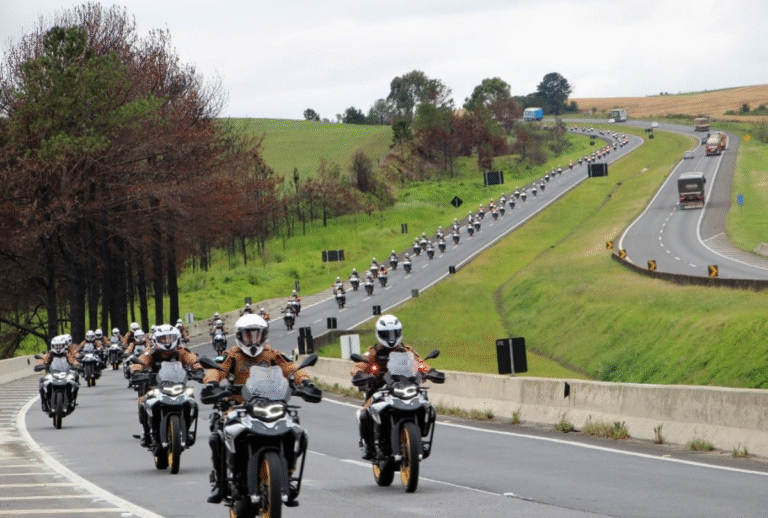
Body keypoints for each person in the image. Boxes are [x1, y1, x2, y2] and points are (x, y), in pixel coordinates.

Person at [201, 313, 317, 504]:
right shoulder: (232, 355)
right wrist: (211, 383)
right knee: (218, 436)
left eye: (257, 335)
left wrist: (305, 381)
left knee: (294, 429)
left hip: (272, 405)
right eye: (248, 335)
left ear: (263, 335)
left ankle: (286, 475)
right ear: (240, 336)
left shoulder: (272, 354)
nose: (253, 339)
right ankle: (221, 484)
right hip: (238, 407)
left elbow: (291, 368)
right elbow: (216, 369)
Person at [350, 314, 443, 459]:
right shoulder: (373, 351)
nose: (391, 337)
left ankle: (418, 436)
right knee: (364, 414)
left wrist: (431, 372)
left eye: (394, 333)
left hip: (406, 386)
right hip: (381, 390)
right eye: (387, 334)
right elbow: (360, 365)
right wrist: (359, 374)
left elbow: (419, 363)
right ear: (379, 334)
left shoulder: (406, 350)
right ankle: (368, 446)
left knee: (427, 406)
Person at [129, 324, 203, 447]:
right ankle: (147, 434)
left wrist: (198, 370)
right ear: (157, 340)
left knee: (192, 402)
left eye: (170, 338)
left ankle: (187, 429)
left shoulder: (181, 351)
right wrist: (137, 372)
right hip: (156, 387)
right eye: (164, 339)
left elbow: (193, 359)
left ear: (176, 338)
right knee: (143, 402)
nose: (167, 341)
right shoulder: (151, 353)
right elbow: (141, 361)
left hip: (179, 387)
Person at [37, 335, 80, 412]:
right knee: (42, 382)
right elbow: (44, 360)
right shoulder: (50, 354)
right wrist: (41, 365)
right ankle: (44, 402)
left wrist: (76, 364)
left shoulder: (66, 354)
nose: (58, 348)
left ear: (63, 345)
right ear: (52, 346)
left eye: (60, 346)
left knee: (75, 384)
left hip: (65, 373)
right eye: (56, 346)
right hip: (52, 373)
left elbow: (72, 360)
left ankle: (72, 401)